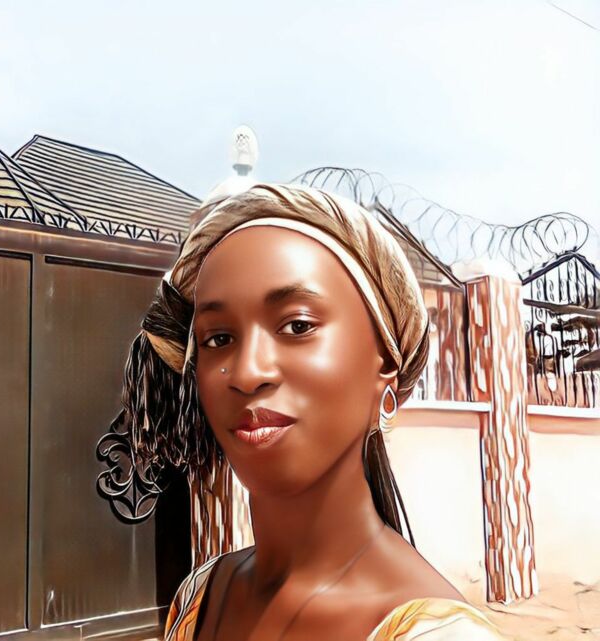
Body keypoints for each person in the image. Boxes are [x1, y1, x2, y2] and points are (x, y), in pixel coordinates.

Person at [120, 184, 505, 640]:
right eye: (218, 338)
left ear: (386, 367)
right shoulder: (199, 595)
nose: (247, 372)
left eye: (297, 326)